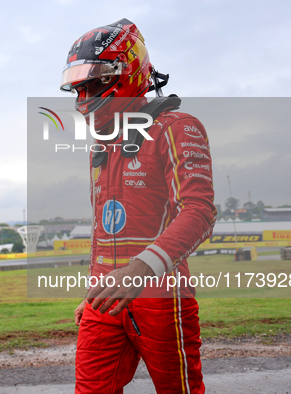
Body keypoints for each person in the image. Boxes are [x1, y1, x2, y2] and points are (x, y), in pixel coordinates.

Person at [59, 18, 216, 393]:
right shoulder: (102, 145)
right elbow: (103, 226)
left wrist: (137, 271)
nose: (84, 98)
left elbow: (199, 212)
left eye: (95, 83)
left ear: (128, 72)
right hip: (106, 297)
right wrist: (93, 288)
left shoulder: (177, 126)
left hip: (161, 298)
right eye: (78, 88)